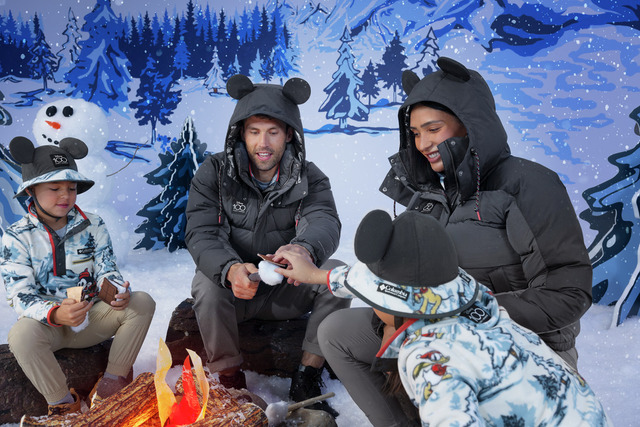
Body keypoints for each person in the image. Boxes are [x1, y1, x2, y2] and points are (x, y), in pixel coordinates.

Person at [317, 57, 594, 426]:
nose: (423, 143)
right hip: (438, 335)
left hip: (522, 345)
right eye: (415, 133)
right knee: (337, 331)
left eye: (433, 129)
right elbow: (403, 279)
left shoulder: (528, 185)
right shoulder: (429, 195)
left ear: (470, 124)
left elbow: (567, 293)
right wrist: (326, 279)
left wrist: (461, 312)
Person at [276, 209, 610, 426]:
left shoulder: (431, 356)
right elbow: (372, 282)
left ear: (392, 303)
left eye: (375, 296)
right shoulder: (472, 301)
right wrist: (317, 275)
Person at [184, 74, 349, 416]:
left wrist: (303, 249)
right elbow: (202, 232)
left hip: (287, 288)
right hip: (234, 293)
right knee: (205, 282)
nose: (263, 143)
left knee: (337, 275)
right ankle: (229, 380)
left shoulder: (310, 176)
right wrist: (230, 269)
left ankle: (307, 375)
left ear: (289, 134)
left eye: (273, 132)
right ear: (241, 134)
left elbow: (324, 221)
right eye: (254, 131)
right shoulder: (214, 172)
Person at [1, 136, 156, 415]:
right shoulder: (16, 237)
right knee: (21, 335)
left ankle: (112, 386)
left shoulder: (93, 224)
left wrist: (116, 290)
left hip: (92, 320)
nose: (65, 196)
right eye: (54, 188)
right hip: (48, 327)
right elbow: (19, 295)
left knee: (142, 302)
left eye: (71, 188)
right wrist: (55, 313)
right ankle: (62, 405)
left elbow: (107, 267)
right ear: (32, 190)